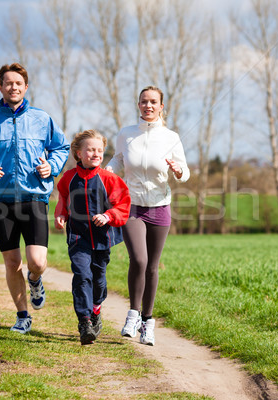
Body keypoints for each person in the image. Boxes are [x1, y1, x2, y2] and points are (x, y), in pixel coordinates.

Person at [0, 63, 70, 334]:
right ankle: (23, 316)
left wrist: (52, 167)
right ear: (0, 87)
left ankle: (35, 279)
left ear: (26, 87)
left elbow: (61, 147)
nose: (13, 87)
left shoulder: (41, 119)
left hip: (34, 196)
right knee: (12, 263)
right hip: (1, 201)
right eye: (8, 83)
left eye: (18, 83)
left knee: (36, 261)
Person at [105, 86, 190, 346]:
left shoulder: (171, 137)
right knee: (138, 260)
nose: (148, 106)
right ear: (138, 105)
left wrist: (178, 171)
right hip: (131, 206)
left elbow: (185, 171)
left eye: (153, 102)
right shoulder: (126, 134)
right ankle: (133, 314)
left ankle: (148, 323)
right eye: (144, 102)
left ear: (162, 106)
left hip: (160, 207)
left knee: (153, 266)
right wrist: (105, 172)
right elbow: (118, 161)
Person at [54, 130, 131, 345]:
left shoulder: (109, 178)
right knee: (81, 275)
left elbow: (123, 204)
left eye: (99, 150)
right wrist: (60, 215)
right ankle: (84, 321)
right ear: (79, 153)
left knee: (98, 278)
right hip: (78, 237)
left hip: (102, 238)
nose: (96, 153)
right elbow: (62, 198)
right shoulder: (69, 178)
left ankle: (96, 308)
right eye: (90, 150)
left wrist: (108, 216)